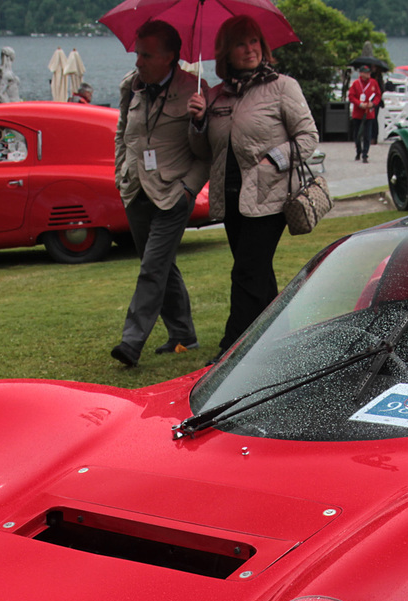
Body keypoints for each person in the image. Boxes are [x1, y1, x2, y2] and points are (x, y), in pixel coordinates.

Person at [188, 15, 319, 356]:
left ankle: (232, 348)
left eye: (254, 42)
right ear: (226, 53)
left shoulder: (282, 86)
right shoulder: (216, 96)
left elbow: (308, 137)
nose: (249, 49)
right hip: (230, 198)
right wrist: (199, 121)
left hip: (270, 195)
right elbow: (203, 151)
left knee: (246, 270)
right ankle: (280, 339)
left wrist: (273, 158)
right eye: (240, 44)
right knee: (257, 272)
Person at [110, 20, 209, 367]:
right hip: (136, 189)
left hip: (172, 194)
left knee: (153, 267)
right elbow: (123, 133)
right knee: (159, 263)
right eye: (138, 53)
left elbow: (205, 152)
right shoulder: (131, 87)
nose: (138, 61)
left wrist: (188, 190)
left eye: (146, 55)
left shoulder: (195, 90)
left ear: (170, 56)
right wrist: (120, 171)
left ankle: (131, 342)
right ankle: (184, 335)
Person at [347, 66, 381, 162]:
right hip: (358, 113)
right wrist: (360, 104)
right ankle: (358, 150)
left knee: (367, 134)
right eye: (365, 73)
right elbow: (351, 96)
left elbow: (378, 95)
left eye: (368, 72)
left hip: (369, 113)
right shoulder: (356, 84)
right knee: (357, 134)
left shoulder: (373, 82)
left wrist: (373, 104)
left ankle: (365, 154)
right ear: (361, 73)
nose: (368, 74)